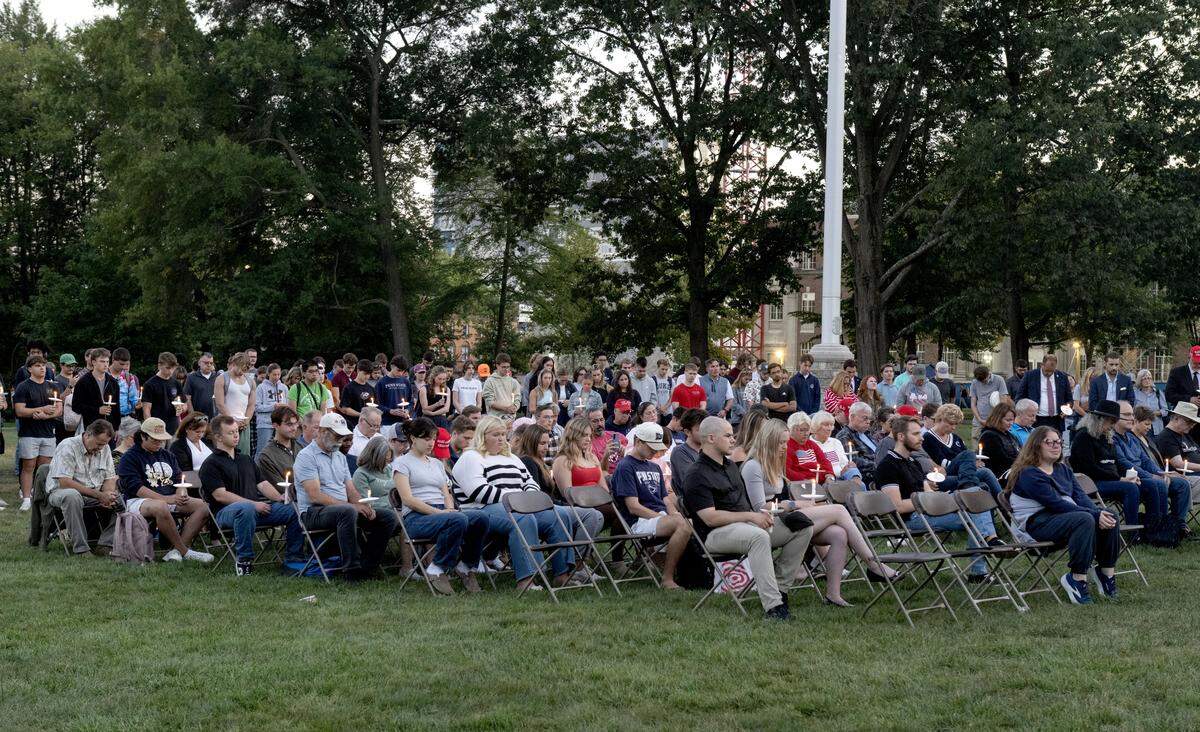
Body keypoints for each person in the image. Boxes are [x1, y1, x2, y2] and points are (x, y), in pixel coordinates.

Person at [742, 419, 895, 606]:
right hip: (768, 523)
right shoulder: (753, 467)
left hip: (787, 518)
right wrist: (794, 504)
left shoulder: (773, 463)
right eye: (781, 442)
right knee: (838, 510)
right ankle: (873, 563)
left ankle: (833, 595)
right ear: (768, 441)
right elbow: (760, 507)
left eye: (785, 442)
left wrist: (795, 505)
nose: (784, 446)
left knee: (839, 534)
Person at [683, 417, 814, 620]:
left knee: (801, 525)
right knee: (758, 537)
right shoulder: (696, 473)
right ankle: (774, 607)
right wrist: (751, 516)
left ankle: (780, 588)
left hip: (746, 526)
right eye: (727, 436)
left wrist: (763, 515)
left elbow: (746, 505)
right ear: (710, 438)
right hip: (714, 535)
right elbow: (710, 518)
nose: (733, 440)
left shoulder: (730, 466)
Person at [452, 415, 577, 591]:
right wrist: (518, 500)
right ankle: (526, 580)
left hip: (521, 505)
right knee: (522, 519)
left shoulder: (511, 457)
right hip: (482, 510)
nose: (502, 438)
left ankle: (562, 574)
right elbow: (479, 492)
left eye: (503, 434)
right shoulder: (471, 457)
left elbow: (530, 482)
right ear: (482, 436)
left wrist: (527, 499)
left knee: (560, 515)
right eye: (496, 434)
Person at [1007, 426, 1120, 603]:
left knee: (1109, 514)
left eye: (1058, 442)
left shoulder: (1063, 469)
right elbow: (1055, 503)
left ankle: (1105, 574)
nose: (1056, 446)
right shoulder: (1028, 473)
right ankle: (1076, 579)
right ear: (1036, 445)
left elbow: (1080, 497)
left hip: (1063, 518)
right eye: (1049, 442)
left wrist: (1099, 513)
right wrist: (1094, 515)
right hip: (1037, 524)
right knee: (1084, 518)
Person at [876, 415, 999, 579]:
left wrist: (937, 498)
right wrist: (925, 499)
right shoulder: (888, 466)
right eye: (916, 434)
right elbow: (896, 506)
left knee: (976, 492)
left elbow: (928, 493)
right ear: (900, 436)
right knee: (974, 512)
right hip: (912, 519)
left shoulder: (913, 462)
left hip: (929, 510)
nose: (921, 438)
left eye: (920, 433)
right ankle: (981, 562)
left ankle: (985, 553)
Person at [294, 412, 399, 579]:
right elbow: (315, 496)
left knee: (388, 517)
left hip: (340, 509)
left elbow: (350, 489)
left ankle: (368, 565)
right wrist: (352, 506)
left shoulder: (339, 456)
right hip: (313, 512)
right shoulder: (306, 456)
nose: (340, 441)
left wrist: (362, 505)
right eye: (337, 436)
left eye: (342, 436)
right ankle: (352, 570)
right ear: (322, 431)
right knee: (347, 511)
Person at [394, 419, 490, 594]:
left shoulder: (437, 463)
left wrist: (449, 510)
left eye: (433, 438)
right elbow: (407, 499)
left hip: (443, 513)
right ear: (413, 438)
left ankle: (466, 565)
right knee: (457, 519)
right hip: (417, 517)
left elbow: (446, 494)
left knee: (480, 518)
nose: (432, 443)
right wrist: (441, 513)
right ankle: (437, 568)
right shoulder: (402, 463)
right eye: (427, 439)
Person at [200, 414, 302, 575]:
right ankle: (244, 561)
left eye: (237, 431)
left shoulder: (245, 459)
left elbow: (262, 484)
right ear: (218, 437)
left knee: (294, 509)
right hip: (226, 513)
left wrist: (280, 498)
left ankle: (294, 558)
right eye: (230, 432)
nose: (236, 435)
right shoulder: (210, 464)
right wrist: (254, 504)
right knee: (245, 508)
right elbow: (220, 496)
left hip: (257, 510)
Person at [117, 418, 214, 563]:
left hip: (169, 497)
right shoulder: (129, 457)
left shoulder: (167, 455)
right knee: (160, 506)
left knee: (204, 506)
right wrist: (167, 499)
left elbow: (178, 480)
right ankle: (185, 551)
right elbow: (137, 488)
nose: (159, 444)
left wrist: (182, 493)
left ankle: (175, 551)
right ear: (143, 436)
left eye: (161, 440)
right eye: (155, 440)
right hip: (137, 501)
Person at [610, 422, 689, 590]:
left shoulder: (654, 466)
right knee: (682, 525)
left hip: (658, 517)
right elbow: (633, 507)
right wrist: (664, 518)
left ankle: (687, 574)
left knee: (688, 522)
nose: (655, 451)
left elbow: (665, 499)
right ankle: (667, 579)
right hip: (639, 522)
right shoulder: (625, 467)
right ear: (638, 442)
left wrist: (674, 514)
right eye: (651, 446)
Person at [45, 420, 122, 556]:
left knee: (120, 500)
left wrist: (108, 494)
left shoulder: (105, 448)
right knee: (72, 496)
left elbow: (109, 478)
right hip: (61, 492)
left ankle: (105, 544)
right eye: (98, 443)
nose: (101, 448)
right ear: (87, 435)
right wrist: (99, 495)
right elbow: (65, 482)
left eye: (104, 444)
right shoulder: (68, 446)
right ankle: (81, 549)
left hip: (93, 493)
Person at [1113, 401, 1191, 534]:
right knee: (1159, 483)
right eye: (1127, 415)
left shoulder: (1131, 438)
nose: (1131, 418)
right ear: (1115, 417)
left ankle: (1177, 526)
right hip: (1130, 478)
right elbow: (1124, 463)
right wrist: (1152, 476)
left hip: (1145, 475)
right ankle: (1158, 529)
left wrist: (1162, 473)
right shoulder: (1114, 439)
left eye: (1132, 414)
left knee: (1182, 483)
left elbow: (1145, 460)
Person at [1068, 400, 1141, 536]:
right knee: (1130, 488)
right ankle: (1133, 533)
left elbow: (1115, 463)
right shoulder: (1083, 436)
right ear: (1099, 420)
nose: (1113, 425)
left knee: (1143, 484)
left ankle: (1152, 527)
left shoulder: (1107, 436)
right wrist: (1120, 478)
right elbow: (1088, 468)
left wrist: (1129, 477)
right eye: (1111, 421)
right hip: (1090, 483)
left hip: (1109, 479)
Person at [12, 355, 61, 510]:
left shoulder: (52, 386)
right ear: (29, 369)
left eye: (43, 365)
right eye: (37, 365)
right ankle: (26, 498)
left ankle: (43, 497)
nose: (42, 368)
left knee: (44, 468)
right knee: (28, 466)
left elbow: (58, 410)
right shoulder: (23, 386)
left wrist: (46, 415)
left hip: (48, 433)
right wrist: (40, 410)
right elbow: (19, 411)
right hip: (29, 433)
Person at [921, 404, 1003, 497]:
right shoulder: (928, 438)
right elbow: (941, 462)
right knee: (973, 458)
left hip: (962, 473)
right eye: (951, 424)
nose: (954, 427)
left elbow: (967, 459)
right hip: (943, 474)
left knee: (984, 479)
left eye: (956, 424)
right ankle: (1005, 504)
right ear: (940, 419)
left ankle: (1000, 505)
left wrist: (973, 463)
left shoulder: (956, 438)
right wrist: (970, 464)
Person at [214, 352, 256, 455]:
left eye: (245, 370)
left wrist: (247, 420)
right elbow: (219, 403)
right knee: (226, 454)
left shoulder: (250, 381)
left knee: (244, 455)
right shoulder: (222, 378)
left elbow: (251, 405)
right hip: (226, 423)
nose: (243, 372)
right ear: (234, 364)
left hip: (243, 424)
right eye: (241, 369)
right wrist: (233, 421)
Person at [1017, 353, 1072, 431]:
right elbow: (1020, 397)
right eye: (1046, 371)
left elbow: (1069, 399)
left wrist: (1067, 409)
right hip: (1036, 419)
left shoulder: (1062, 377)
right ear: (1042, 365)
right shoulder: (1030, 376)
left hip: (1056, 420)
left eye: (1051, 371)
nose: (1049, 374)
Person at [71, 347, 120, 432]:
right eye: (102, 361)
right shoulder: (83, 382)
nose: (106, 365)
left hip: (109, 428)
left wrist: (116, 428)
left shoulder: (113, 382)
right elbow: (76, 406)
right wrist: (97, 410)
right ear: (93, 362)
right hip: (91, 428)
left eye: (107, 362)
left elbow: (116, 408)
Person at [138, 352, 186, 437]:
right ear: (159, 366)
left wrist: (182, 408)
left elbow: (184, 403)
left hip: (174, 427)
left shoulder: (176, 383)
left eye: (173, 368)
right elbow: (146, 409)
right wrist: (150, 428)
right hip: (157, 427)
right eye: (168, 368)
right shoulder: (150, 384)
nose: (171, 371)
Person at [810, 411, 862, 483]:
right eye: (826, 425)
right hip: (825, 479)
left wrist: (847, 467)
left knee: (854, 472)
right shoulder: (809, 444)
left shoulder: (836, 442)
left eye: (831, 425)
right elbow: (815, 468)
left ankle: (858, 486)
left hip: (842, 476)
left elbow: (844, 463)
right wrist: (834, 474)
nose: (829, 428)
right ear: (816, 426)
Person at [835, 402, 879, 487]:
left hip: (879, 469)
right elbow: (853, 461)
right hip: (867, 475)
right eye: (865, 418)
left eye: (869, 419)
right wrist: (879, 465)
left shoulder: (867, 434)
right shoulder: (844, 435)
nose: (868, 422)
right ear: (852, 417)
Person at [256, 405, 300, 487]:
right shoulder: (267, 456)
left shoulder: (301, 447)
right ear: (275, 425)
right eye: (289, 424)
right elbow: (281, 488)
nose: (294, 428)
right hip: (286, 498)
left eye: (295, 424)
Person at [784, 411, 833, 484]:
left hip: (820, 482)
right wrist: (805, 479)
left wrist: (829, 475)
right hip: (801, 484)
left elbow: (825, 462)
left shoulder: (811, 444)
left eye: (807, 430)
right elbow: (787, 471)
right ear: (791, 430)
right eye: (802, 430)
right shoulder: (786, 446)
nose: (806, 433)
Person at [252, 363, 289, 457]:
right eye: (274, 374)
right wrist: (273, 406)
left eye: (278, 374)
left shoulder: (284, 388)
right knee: (262, 450)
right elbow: (256, 407)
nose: (277, 377)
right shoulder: (261, 387)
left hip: (281, 424)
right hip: (265, 424)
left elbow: (288, 404)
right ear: (269, 374)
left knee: (279, 451)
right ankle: (257, 471)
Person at [978, 403, 1021, 479]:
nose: (1011, 423)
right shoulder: (989, 436)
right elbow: (1002, 460)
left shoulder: (1010, 435)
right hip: (999, 476)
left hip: (1014, 471)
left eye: (1012, 420)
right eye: (1008, 420)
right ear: (997, 419)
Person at [968, 365, 1008, 444]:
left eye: (984, 380)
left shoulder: (999, 380)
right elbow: (973, 404)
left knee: (994, 446)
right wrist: (979, 419)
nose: (983, 382)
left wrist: (996, 419)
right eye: (981, 381)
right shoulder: (975, 382)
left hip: (996, 421)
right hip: (979, 421)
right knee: (977, 449)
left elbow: (1004, 402)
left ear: (989, 373)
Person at [668, 408, 707, 484]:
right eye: (700, 429)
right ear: (688, 432)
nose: (705, 433)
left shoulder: (707, 452)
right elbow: (693, 481)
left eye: (706, 429)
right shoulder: (680, 452)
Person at [481, 353, 521, 422]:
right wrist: (505, 408)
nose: (506, 369)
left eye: (508, 367)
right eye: (503, 367)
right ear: (497, 366)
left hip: (510, 418)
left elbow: (517, 398)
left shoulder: (513, 381)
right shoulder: (490, 381)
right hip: (495, 418)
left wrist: (515, 407)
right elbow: (489, 402)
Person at [588, 407, 628, 474]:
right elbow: (597, 473)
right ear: (587, 423)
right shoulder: (588, 443)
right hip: (606, 477)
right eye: (595, 421)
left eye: (601, 420)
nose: (600, 424)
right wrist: (606, 455)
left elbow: (634, 457)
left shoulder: (617, 436)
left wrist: (626, 452)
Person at [1129, 369, 1167, 435]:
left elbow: (1165, 410)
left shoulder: (1158, 393)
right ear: (1140, 380)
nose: (1147, 380)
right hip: (1140, 428)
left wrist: (1155, 413)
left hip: (1157, 428)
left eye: (1149, 378)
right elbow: (1132, 410)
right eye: (1144, 379)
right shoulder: (1135, 393)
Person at [109, 348, 140, 420]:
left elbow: (133, 398)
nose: (123, 367)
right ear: (113, 360)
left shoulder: (128, 377)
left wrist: (137, 404)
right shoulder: (103, 375)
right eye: (121, 364)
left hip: (125, 418)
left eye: (126, 364)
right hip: (107, 418)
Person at [183, 352, 217, 418]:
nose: (209, 365)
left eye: (211, 363)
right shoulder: (191, 377)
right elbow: (187, 398)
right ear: (199, 363)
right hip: (198, 417)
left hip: (214, 417)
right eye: (206, 363)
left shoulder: (217, 377)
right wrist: (192, 415)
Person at [419, 365, 453, 430]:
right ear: (434, 376)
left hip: (441, 420)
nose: (441, 381)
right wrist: (437, 404)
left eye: (444, 379)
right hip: (427, 420)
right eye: (439, 379)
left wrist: (433, 413)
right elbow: (424, 408)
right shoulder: (424, 389)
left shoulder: (447, 389)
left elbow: (446, 409)